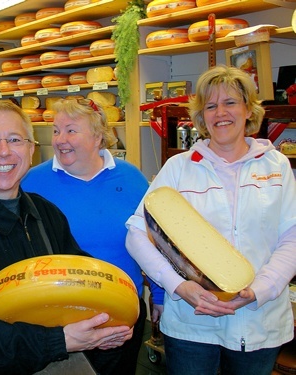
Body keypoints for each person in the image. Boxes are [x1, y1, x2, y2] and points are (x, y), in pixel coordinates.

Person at [0, 100, 134, 375]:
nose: (3, 151)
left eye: (14, 140)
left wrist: (102, 329)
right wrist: (59, 341)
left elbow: (83, 279)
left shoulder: (46, 212)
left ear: (31, 150)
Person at [125, 65, 296, 375]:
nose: (221, 113)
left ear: (248, 109)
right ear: (201, 117)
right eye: (211, 105)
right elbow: (137, 234)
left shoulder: (277, 166)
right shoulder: (178, 168)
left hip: (259, 319)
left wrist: (260, 289)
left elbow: (292, 238)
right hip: (193, 322)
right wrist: (179, 287)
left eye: (230, 102)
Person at [21, 98, 164, 374]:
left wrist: (158, 294)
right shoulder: (31, 182)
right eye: (56, 130)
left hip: (120, 313)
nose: (60, 139)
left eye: (71, 130)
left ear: (98, 136)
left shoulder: (131, 178)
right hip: (56, 318)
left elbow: (152, 239)